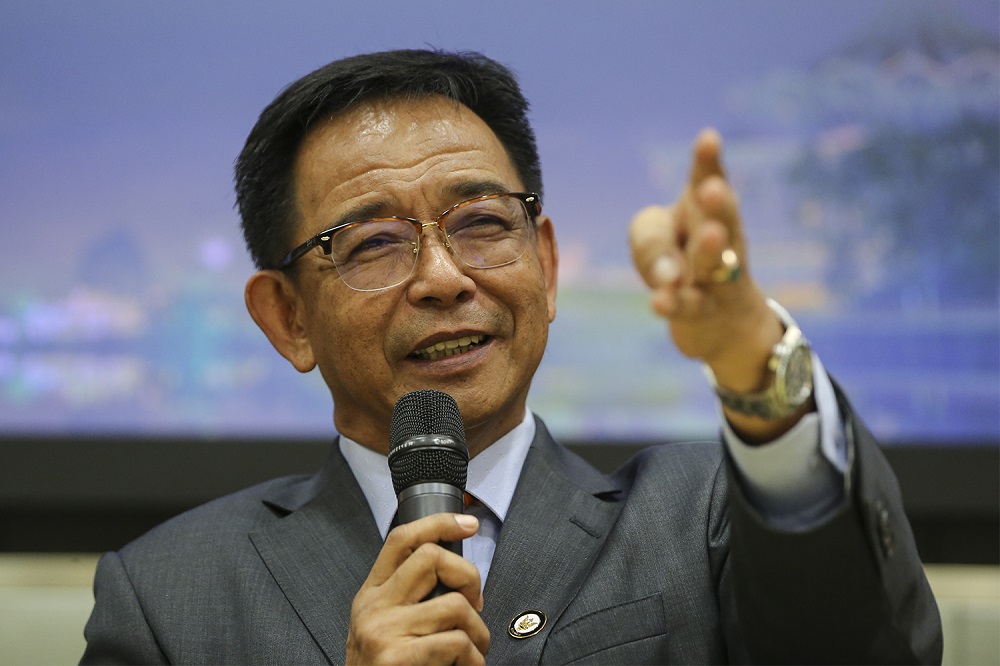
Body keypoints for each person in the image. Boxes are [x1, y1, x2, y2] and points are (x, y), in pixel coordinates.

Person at [81, 49, 942, 664]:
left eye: (484, 223)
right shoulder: (170, 595)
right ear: (286, 318)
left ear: (549, 264)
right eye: (376, 243)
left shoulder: (700, 519)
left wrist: (757, 361)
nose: (444, 277)